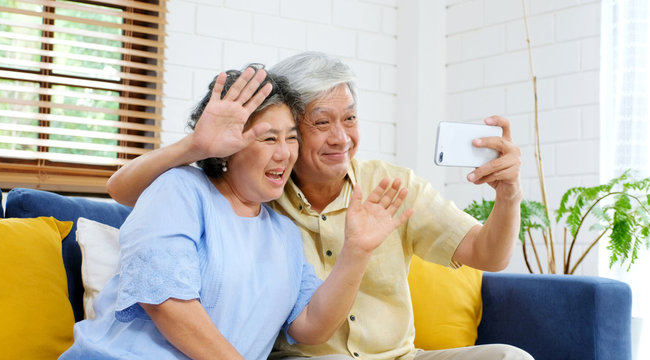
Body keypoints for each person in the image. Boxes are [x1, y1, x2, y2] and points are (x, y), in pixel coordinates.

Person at [107, 52, 533, 360]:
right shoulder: (222, 193)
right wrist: (196, 145)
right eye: (321, 123)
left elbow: (488, 255)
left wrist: (509, 191)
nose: (341, 137)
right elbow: (131, 196)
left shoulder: (289, 225)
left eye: (349, 118)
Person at [61, 65, 413, 360]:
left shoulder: (283, 233)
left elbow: (311, 326)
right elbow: (167, 302)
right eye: (268, 138)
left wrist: (356, 252)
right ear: (227, 148)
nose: (285, 153)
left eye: (291, 138)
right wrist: (196, 144)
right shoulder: (180, 189)